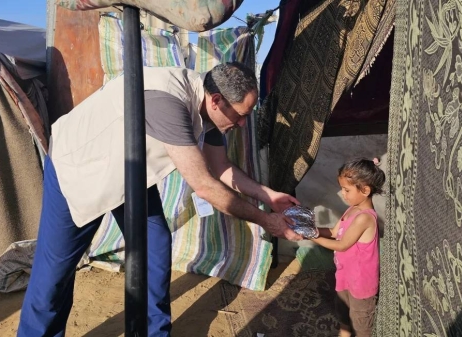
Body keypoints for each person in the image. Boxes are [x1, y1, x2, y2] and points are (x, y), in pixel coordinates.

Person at [17, 62, 302, 337]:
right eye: (240, 115)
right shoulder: (168, 102)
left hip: (128, 172)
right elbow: (205, 186)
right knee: (55, 273)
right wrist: (267, 221)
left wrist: (269, 196)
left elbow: (221, 167)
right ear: (217, 100)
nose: (242, 123)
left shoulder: (212, 110)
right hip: (79, 167)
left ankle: (154, 332)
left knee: (154, 246)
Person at [309, 157, 385, 337]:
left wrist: (310, 236)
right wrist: (311, 229)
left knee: (361, 324)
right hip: (345, 275)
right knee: (343, 314)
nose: (342, 193)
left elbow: (342, 245)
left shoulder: (364, 218)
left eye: (346, 189)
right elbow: (335, 232)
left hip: (361, 283)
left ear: (365, 190)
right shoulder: (352, 209)